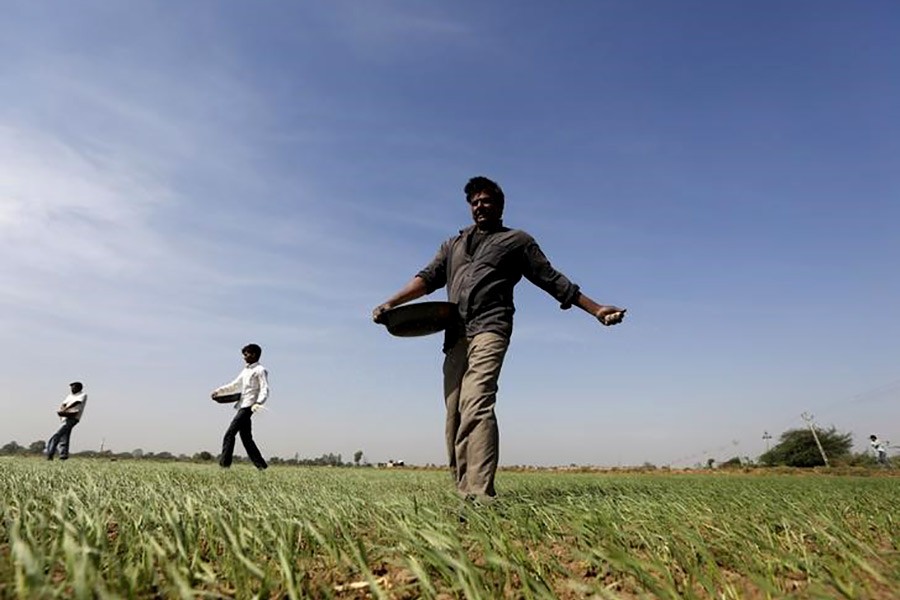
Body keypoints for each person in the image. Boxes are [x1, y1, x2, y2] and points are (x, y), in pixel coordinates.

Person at [373, 176, 626, 501]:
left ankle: (480, 495)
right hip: (455, 334)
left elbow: (552, 280)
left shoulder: (516, 241)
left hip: (491, 327)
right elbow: (426, 279)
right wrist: (392, 302)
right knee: (455, 414)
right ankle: (464, 491)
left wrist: (596, 309)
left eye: (486, 200)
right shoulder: (453, 245)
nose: (480, 206)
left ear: (500, 205)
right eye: (474, 202)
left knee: (477, 401)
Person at [211, 343, 270, 470]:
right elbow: (235, 384)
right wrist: (219, 391)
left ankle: (224, 466)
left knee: (229, 434)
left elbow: (265, 389)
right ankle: (262, 467)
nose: (244, 357)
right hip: (241, 405)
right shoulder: (246, 370)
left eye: (246, 354)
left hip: (249, 407)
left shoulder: (260, 370)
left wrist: (259, 403)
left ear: (254, 354)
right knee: (246, 439)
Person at [46, 381, 88, 460]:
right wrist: (62, 409)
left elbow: (77, 402)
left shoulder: (82, 395)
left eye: (73, 387)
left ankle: (50, 453)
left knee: (57, 435)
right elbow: (64, 403)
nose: (72, 388)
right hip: (65, 418)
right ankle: (63, 456)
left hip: (73, 418)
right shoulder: (70, 396)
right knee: (64, 436)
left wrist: (66, 409)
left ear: (79, 388)